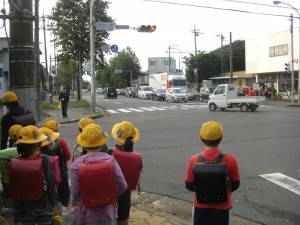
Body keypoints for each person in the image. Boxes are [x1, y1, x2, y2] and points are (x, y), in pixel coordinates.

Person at [70, 123, 127, 225]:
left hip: (86, 214)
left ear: (83, 144)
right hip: (108, 213)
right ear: (101, 143)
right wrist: (110, 196)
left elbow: (74, 193)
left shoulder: (77, 164)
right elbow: (123, 185)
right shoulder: (111, 160)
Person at [185, 121, 240, 225]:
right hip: (223, 207)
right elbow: (236, 184)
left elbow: (189, 185)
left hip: (200, 206)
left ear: (201, 138)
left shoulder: (194, 159)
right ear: (221, 137)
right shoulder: (230, 159)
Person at [9, 125, 56, 224]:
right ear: (36, 145)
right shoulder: (44, 160)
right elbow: (50, 184)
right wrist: (53, 203)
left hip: (20, 209)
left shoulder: (14, 162)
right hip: (41, 207)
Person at [111, 121, 142, 225]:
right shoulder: (137, 157)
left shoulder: (110, 153)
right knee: (123, 220)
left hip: (111, 193)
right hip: (125, 195)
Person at [39, 127, 71, 207]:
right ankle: (65, 203)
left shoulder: (37, 152)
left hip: (45, 179)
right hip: (60, 171)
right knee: (64, 190)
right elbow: (68, 156)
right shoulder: (60, 143)